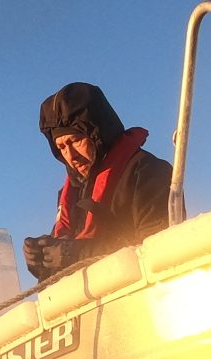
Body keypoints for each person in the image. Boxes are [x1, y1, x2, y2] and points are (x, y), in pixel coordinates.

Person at [24, 81, 176, 281]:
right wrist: (43, 263)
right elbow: (66, 261)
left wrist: (79, 255)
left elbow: (160, 248)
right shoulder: (70, 194)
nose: (70, 155)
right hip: (88, 305)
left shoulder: (148, 171)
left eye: (75, 141)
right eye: (61, 147)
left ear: (98, 134)